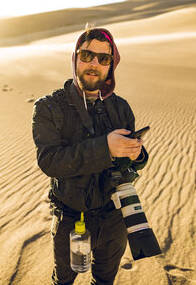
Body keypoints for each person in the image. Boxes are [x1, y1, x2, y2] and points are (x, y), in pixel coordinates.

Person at [32, 26, 149, 285]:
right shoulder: (49, 107)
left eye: (103, 58)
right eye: (87, 55)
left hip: (114, 217)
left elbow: (131, 161)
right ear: (75, 58)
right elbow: (49, 160)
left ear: (111, 65)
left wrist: (137, 154)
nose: (94, 63)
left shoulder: (120, 107)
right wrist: (105, 147)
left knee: (105, 280)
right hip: (71, 221)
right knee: (63, 281)